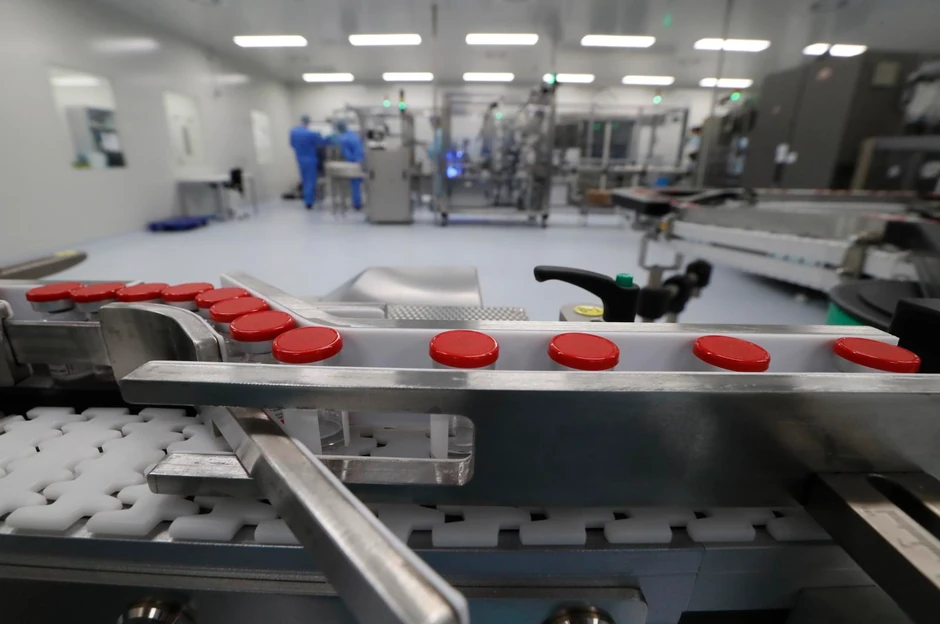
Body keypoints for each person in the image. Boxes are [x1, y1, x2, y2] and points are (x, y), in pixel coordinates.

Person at [290, 115, 323, 209]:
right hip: (310, 160)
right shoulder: (310, 133)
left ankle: (307, 200)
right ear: (308, 122)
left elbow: (292, 144)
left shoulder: (293, 132)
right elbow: (322, 142)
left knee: (304, 180)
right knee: (310, 181)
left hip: (300, 159)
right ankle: (309, 202)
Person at [334, 120, 366, 210]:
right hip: (362, 160)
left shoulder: (343, 139)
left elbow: (347, 154)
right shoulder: (354, 135)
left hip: (354, 162)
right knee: (362, 183)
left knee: (355, 184)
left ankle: (357, 204)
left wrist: (348, 163)